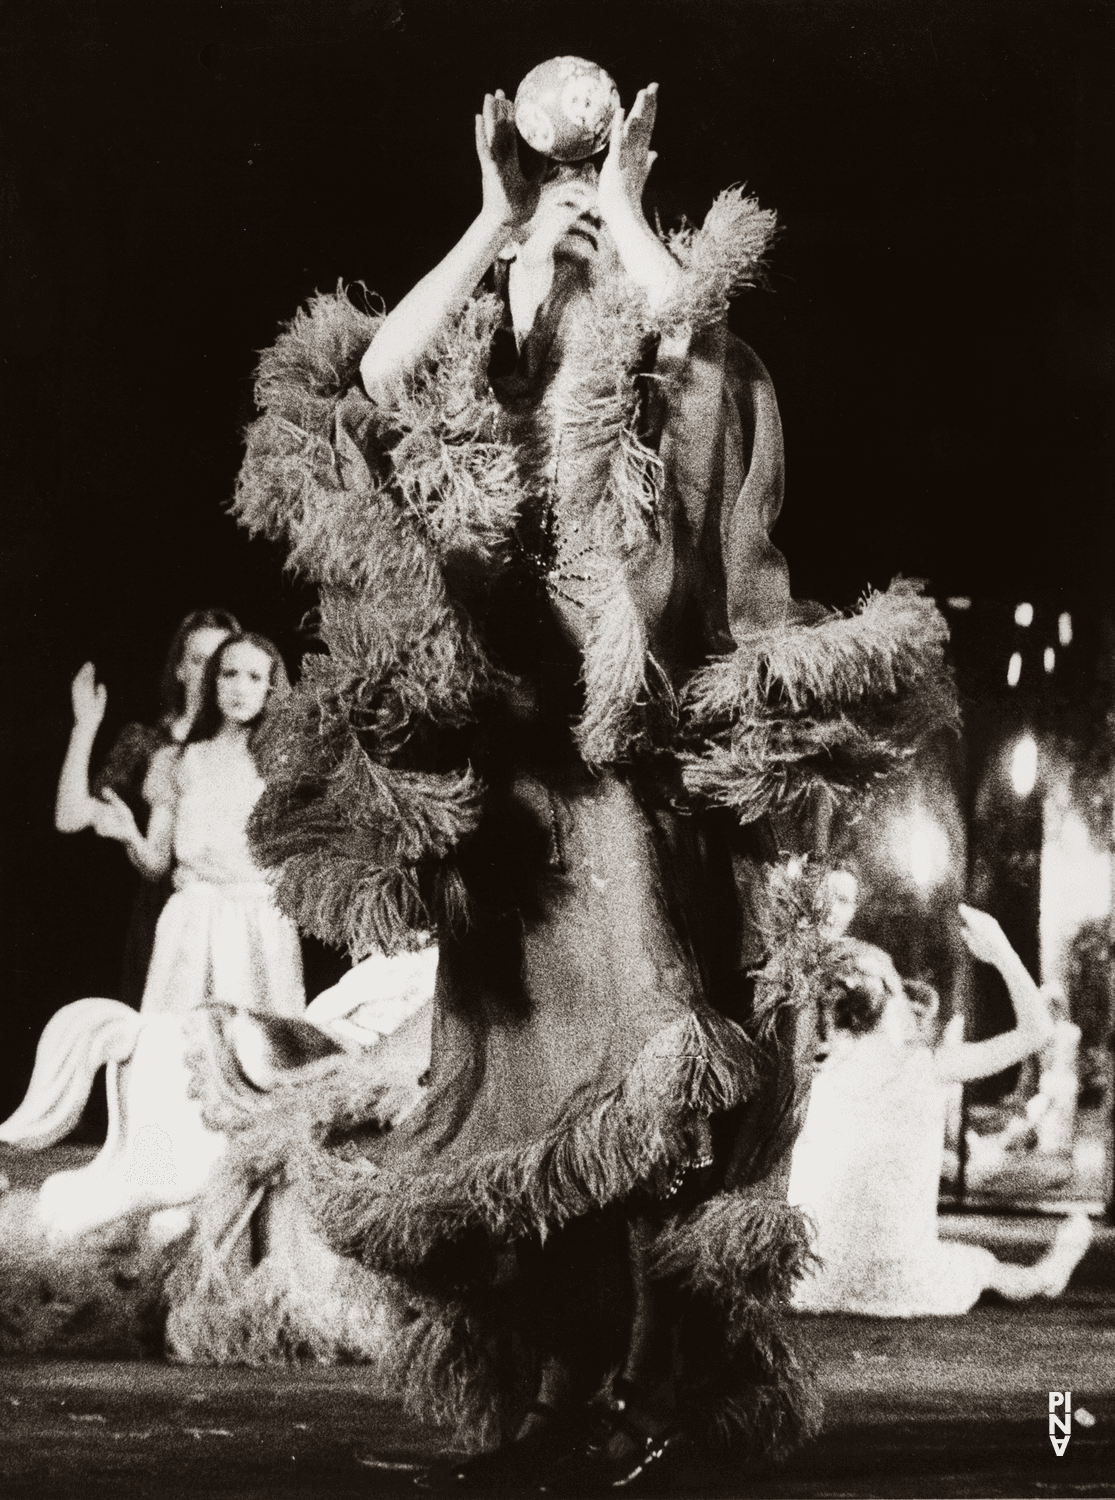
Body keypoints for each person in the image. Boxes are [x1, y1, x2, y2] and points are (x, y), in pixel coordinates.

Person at [226, 61, 954, 1486]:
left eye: (592, 193)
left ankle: (637, 1390)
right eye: (551, 193)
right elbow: (370, 382)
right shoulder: (478, 367)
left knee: (649, 1072)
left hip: (630, 785)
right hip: (512, 804)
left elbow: (694, 328)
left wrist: (616, 201)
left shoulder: (671, 374)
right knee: (517, 1103)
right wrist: (494, 215)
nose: (568, 216)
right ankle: (566, 1396)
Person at [788, 905, 1094, 1317]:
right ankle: (1044, 1277)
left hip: (808, 1280)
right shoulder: (926, 1066)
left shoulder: (813, 1076)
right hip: (899, 1282)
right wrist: (1001, 948)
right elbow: (1037, 1031)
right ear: (892, 994)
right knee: (979, 1264)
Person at [94, 632, 305, 1018]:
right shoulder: (178, 760)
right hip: (191, 925)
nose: (240, 687)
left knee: (261, 1053)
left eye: (255, 677)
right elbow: (156, 862)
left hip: (260, 928)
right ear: (213, 682)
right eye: (229, 674)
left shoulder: (285, 767)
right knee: (179, 1050)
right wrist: (129, 833)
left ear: (271, 687)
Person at [54, 609, 240, 1007]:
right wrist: (84, 725)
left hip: (235, 924)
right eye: (197, 660)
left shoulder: (249, 748)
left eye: (221, 662)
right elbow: (70, 816)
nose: (208, 675)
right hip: (163, 924)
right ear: (179, 670)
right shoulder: (147, 744)